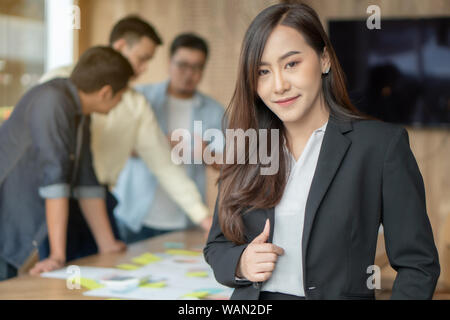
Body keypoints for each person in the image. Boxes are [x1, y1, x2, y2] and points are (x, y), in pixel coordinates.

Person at [203, 3, 440, 300]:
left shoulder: (380, 146)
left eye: (291, 64)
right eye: (262, 71)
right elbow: (217, 246)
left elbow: (418, 265)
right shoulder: (247, 146)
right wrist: (241, 263)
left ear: (324, 59)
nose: (278, 85)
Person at [39, 16, 213, 254]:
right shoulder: (61, 83)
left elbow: (164, 164)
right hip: (49, 198)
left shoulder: (135, 104)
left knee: (101, 277)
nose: (143, 69)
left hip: (98, 203)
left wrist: (203, 217)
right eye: (142, 59)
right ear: (121, 47)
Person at [0, 46, 133, 280]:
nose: (120, 103)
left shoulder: (81, 112)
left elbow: (86, 180)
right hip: (9, 214)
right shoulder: (52, 101)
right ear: (105, 92)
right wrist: (57, 255)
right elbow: (56, 178)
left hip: (24, 219)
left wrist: (107, 244)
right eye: (121, 96)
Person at [113, 33, 225, 244]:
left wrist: (206, 155)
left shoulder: (214, 111)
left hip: (185, 220)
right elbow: (118, 146)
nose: (189, 74)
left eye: (197, 67)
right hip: (133, 215)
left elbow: (226, 163)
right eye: (182, 65)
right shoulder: (141, 98)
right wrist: (158, 145)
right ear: (169, 63)